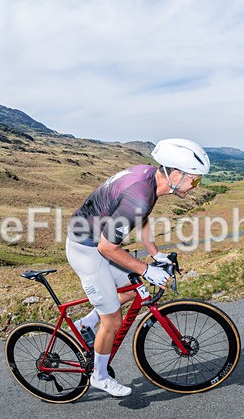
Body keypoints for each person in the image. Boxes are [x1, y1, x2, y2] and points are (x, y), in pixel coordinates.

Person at [65, 138, 210, 397]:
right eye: (195, 180)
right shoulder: (139, 196)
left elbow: (141, 219)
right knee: (113, 319)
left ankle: (86, 323)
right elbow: (107, 248)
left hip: (95, 241)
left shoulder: (149, 177)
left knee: (133, 290)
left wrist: (156, 255)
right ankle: (99, 376)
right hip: (86, 248)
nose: (196, 186)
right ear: (176, 174)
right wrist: (146, 269)